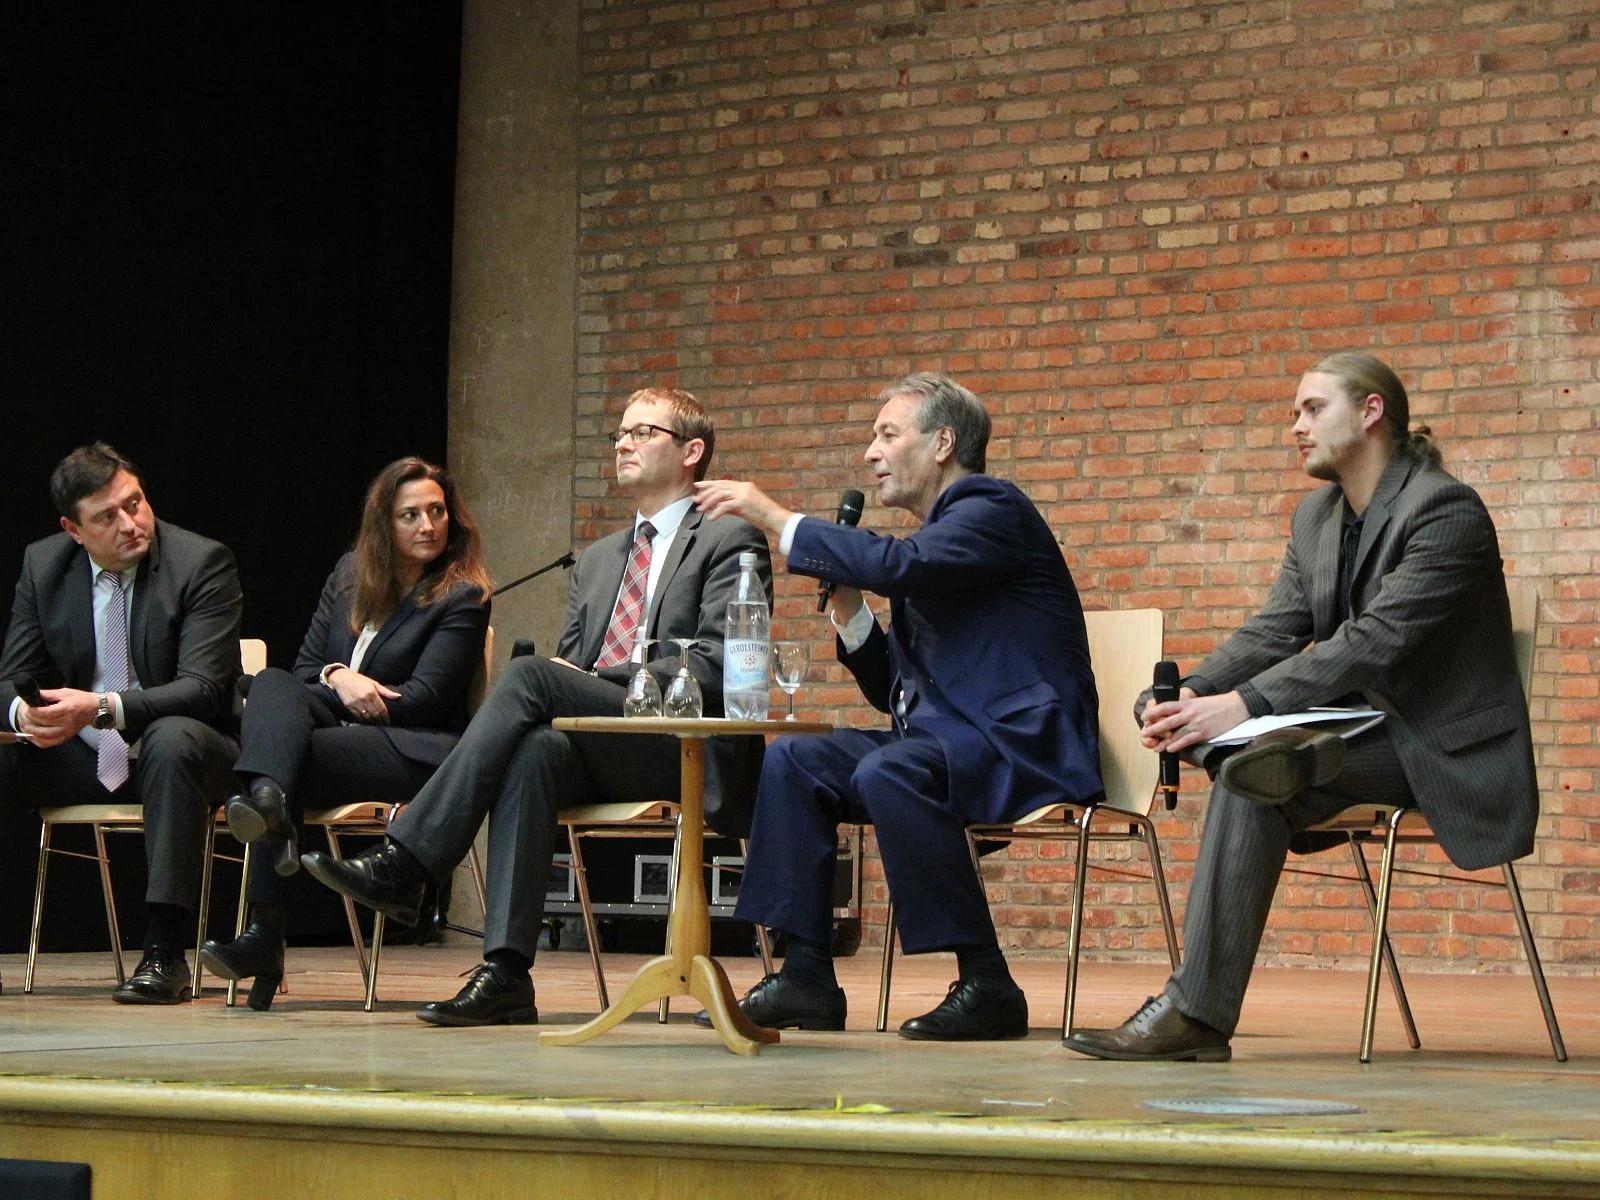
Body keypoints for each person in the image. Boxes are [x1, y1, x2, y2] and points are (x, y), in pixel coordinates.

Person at [1065, 352, 1539, 1063]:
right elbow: (1275, 629)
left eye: (1312, 409)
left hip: (1439, 747)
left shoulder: (1446, 509)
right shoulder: (1317, 515)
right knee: (1256, 774)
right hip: (1354, 730)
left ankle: (1193, 1011)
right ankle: (1197, 1008)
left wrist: (1244, 705)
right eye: (1295, 412)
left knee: (1253, 761)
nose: (1295, 426)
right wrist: (1192, 692)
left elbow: (1372, 643)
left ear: (1372, 412)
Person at [300, 387, 771, 1026]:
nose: (624, 444)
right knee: (534, 749)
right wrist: (575, 677)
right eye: (619, 434)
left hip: (678, 740)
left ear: (692, 453)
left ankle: (408, 861)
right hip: (602, 740)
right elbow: (569, 667)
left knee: (527, 678)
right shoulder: (602, 558)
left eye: (643, 433)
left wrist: (602, 675)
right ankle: (506, 972)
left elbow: (722, 663)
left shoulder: (727, 537)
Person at [693, 373, 1102, 1039]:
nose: (869, 453)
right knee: (796, 757)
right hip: (946, 742)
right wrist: (851, 614)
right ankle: (806, 975)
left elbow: (905, 566)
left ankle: (988, 980)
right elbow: (895, 694)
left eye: (887, 434)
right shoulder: (935, 539)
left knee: (890, 770)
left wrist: (776, 518)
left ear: (943, 443)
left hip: (1020, 743)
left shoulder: (990, 507)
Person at [197, 457, 492, 1009]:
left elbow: (424, 700)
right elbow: (309, 668)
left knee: (279, 746)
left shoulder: (462, 595)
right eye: (411, 515)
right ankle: (271, 808)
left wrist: (351, 690)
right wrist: (340, 677)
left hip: (417, 751)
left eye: (437, 511)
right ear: (384, 524)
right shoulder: (348, 575)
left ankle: (265, 912)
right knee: (275, 684)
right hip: (337, 735)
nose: (428, 525)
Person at [0, 443, 242, 1004]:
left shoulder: (201, 563)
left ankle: (164, 954)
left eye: (135, 503)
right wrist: (28, 713)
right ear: (74, 529)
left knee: (172, 738)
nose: (131, 524)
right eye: (107, 517)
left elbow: (203, 690)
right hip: (87, 757)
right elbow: (11, 678)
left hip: (188, 755)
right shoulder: (45, 566)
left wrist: (102, 707)